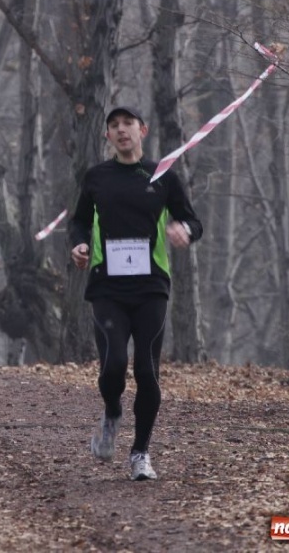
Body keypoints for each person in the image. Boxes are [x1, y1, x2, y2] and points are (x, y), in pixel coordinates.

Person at [68, 105, 203, 481]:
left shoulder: (163, 175)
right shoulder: (97, 177)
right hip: (107, 285)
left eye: (128, 124)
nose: (121, 130)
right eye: (114, 126)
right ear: (107, 136)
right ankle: (112, 412)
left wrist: (185, 232)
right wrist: (79, 246)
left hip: (150, 286)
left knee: (146, 369)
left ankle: (141, 452)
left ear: (142, 130)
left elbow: (193, 220)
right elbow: (78, 221)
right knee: (112, 365)